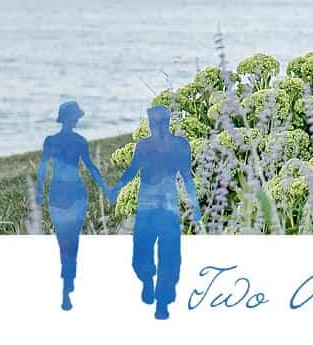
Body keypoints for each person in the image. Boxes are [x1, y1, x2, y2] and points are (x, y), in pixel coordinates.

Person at [107, 105, 202, 320]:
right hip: (146, 206)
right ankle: (147, 280)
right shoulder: (144, 146)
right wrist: (116, 188)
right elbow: (132, 171)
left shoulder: (180, 146)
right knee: (140, 255)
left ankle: (162, 302)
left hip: (168, 207)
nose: (155, 126)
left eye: (159, 122)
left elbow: (187, 177)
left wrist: (195, 205)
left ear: (167, 122)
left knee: (169, 256)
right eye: (152, 123)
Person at [35, 100, 113, 311]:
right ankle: (67, 284)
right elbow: (89, 168)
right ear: (70, 117)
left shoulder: (56, 141)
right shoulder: (76, 141)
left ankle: (67, 285)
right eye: (76, 116)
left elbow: (44, 169)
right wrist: (38, 192)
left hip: (65, 193)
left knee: (67, 240)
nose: (78, 119)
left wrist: (106, 190)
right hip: (69, 193)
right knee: (69, 241)